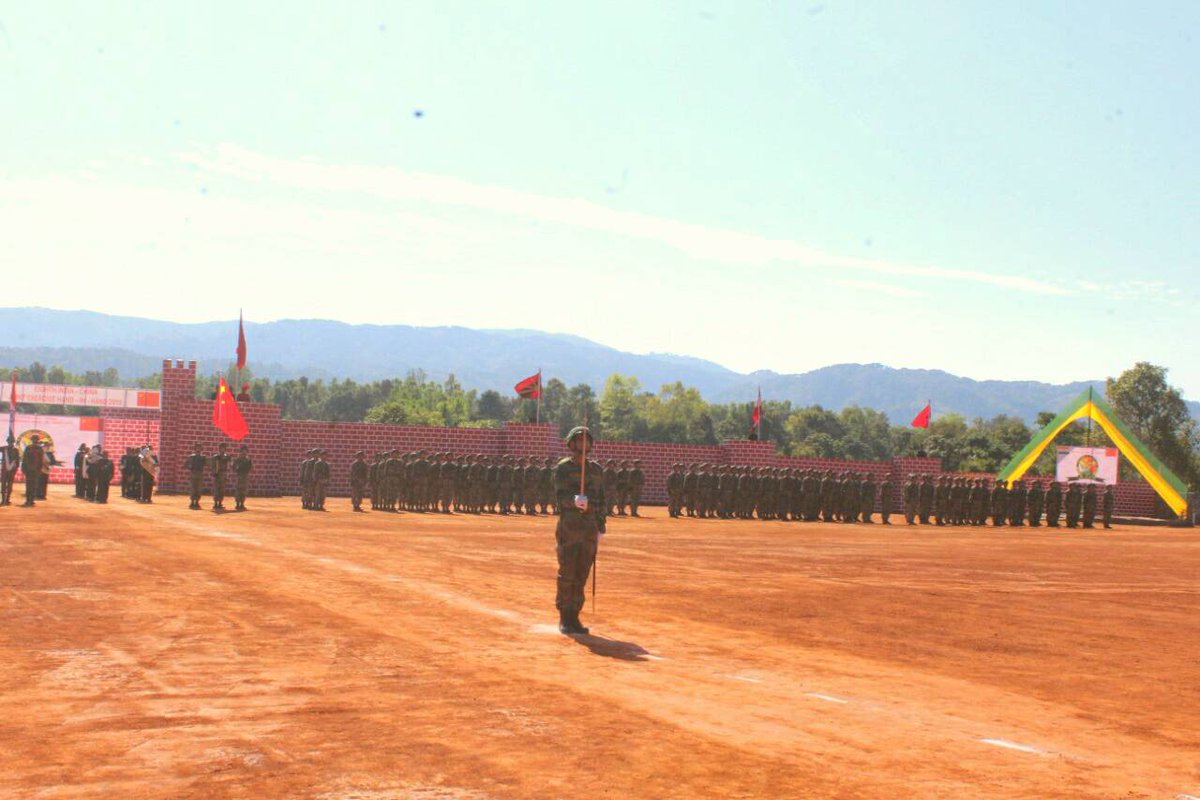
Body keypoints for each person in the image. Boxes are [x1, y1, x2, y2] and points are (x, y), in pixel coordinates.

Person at [553, 426, 606, 636]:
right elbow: (559, 498)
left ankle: (575, 615)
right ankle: (564, 615)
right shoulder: (564, 468)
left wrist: (601, 524)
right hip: (570, 527)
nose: (584, 443)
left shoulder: (596, 470)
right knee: (567, 571)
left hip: (589, 528)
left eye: (587, 440)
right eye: (580, 440)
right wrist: (573, 501)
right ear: (571, 443)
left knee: (582, 572)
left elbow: (602, 499)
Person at [21, 434, 46, 506]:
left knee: (31, 486)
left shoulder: (31, 448)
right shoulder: (34, 448)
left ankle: (30, 500)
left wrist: (23, 468)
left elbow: (40, 460)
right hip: (32, 470)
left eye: (35, 439)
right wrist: (24, 468)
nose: (35, 441)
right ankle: (29, 500)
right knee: (31, 485)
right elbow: (25, 459)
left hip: (32, 470)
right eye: (34, 439)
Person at [185, 443, 207, 510]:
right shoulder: (191, 457)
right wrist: (189, 467)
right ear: (195, 448)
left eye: (199, 448)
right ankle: (192, 501)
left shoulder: (203, 457)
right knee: (193, 488)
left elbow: (207, 463)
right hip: (193, 473)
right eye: (197, 447)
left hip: (200, 473)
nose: (198, 449)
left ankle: (197, 501)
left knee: (199, 488)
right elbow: (186, 464)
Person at [211, 443, 230, 511]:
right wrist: (214, 472)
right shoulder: (216, 456)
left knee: (222, 489)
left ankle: (220, 502)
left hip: (223, 473)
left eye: (224, 448)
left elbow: (228, 465)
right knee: (216, 488)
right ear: (219, 449)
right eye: (221, 448)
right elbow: (213, 465)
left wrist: (227, 475)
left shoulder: (227, 456)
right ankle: (216, 503)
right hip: (217, 473)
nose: (222, 449)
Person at [233, 445, 253, 511]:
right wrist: (237, 470)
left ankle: (242, 503)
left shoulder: (248, 460)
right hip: (239, 476)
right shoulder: (238, 459)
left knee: (244, 490)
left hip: (245, 476)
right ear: (240, 452)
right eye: (243, 451)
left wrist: (248, 470)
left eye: (245, 451)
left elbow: (251, 467)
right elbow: (233, 466)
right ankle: (237, 503)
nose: (244, 452)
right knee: (238, 490)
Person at [1, 437, 19, 506]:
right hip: (7, 470)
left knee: (8, 485)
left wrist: (15, 469)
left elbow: (17, 461)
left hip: (9, 470)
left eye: (11, 442)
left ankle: (6, 500)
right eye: (9, 442)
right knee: (5, 485)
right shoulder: (4, 449)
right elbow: (17, 462)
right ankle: (4, 500)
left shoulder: (14, 450)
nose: (10, 443)